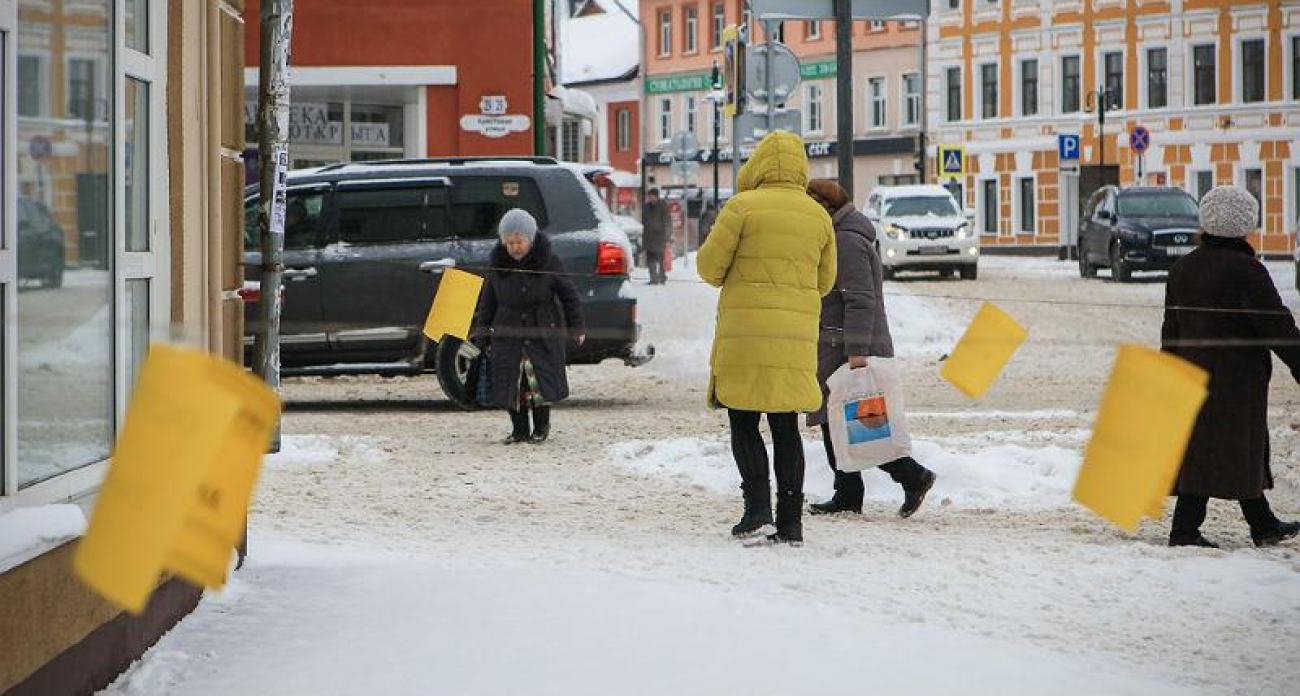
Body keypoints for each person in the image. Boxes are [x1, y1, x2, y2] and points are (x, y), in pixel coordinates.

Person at [697, 131, 837, 546]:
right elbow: (825, 282)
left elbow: (709, 268)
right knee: (786, 426)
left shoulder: (741, 207)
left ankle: (756, 510)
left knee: (743, 421)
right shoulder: (819, 216)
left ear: (757, 166)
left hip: (744, 336)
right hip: (793, 339)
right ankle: (790, 521)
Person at [1161, 185, 1300, 548]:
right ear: (1244, 226)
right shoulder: (1248, 272)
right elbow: (1277, 325)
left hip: (1192, 375)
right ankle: (1186, 532)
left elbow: (1171, 331)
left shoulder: (1182, 269)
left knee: (1208, 449)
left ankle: (1262, 524)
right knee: (1237, 447)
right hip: (1237, 381)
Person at [804, 180, 937, 519]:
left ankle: (913, 476)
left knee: (861, 424)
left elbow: (861, 300)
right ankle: (848, 494)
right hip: (838, 341)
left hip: (848, 346)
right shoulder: (840, 235)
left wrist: (857, 350)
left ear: (824, 207)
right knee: (838, 422)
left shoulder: (846, 241)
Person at [479, 209, 586, 445]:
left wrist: (576, 327)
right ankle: (519, 430)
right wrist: (482, 333)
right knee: (512, 383)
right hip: (507, 334)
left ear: (531, 239)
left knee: (538, 383)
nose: (515, 247)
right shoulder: (497, 265)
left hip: (542, 331)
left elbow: (570, 296)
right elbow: (487, 302)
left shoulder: (550, 261)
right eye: (510, 243)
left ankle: (541, 427)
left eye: (520, 242)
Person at [642, 188, 672, 285]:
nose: (650, 198)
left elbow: (667, 221)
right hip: (649, 237)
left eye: (652, 196)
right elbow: (644, 221)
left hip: (660, 238)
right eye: (649, 196)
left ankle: (662, 277)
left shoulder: (663, 206)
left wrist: (667, 236)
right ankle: (653, 278)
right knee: (650, 259)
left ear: (656, 196)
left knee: (660, 259)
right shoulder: (646, 206)